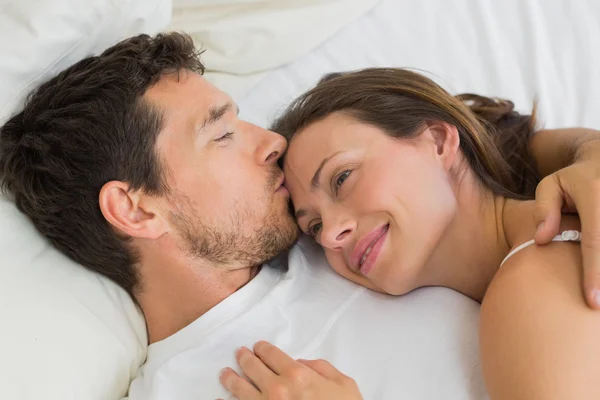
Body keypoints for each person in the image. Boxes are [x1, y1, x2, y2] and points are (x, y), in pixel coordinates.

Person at [0, 32, 599, 399]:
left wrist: (588, 157)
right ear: (135, 207)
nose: (270, 143)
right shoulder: (184, 388)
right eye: (223, 134)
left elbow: (475, 152)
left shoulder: (333, 243)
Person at [219, 68, 600, 400]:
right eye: (314, 226)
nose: (332, 234)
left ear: (437, 140)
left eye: (342, 177)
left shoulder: (532, 287)